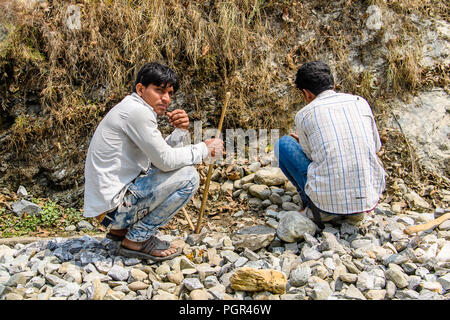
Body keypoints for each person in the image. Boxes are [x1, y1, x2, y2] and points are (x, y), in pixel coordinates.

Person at [83, 62, 223, 261]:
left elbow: (157, 159)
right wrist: (204, 149)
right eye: (159, 91)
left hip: (109, 214)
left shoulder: (132, 108)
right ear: (140, 89)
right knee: (190, 177)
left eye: (170, 93)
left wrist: (180, 131)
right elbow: (165, 162)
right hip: (114, 211)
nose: (166, 99)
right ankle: (137, 239)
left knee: (181, 170)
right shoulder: (137, 112)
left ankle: (120, 232)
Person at [275, 61, 386, 229]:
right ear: (332, 84)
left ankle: (311, 206)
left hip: (325, 207)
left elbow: (312, 158)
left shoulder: (305, 114)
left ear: (307, 93)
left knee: (282, 144)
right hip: (366, 200)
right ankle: (356, 210)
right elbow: (376, 147)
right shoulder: (360, 102)